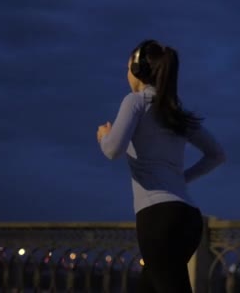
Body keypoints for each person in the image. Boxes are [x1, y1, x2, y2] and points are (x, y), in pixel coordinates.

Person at [96, 39, 226, 292]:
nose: (126, 75)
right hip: (188, 217)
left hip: (158, 219)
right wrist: (179, 181)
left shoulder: (135, 102)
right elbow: (217, 154)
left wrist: (103, 136)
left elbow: (113, 150)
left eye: (126, 68)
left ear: (136, 70)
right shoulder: (175, 111)